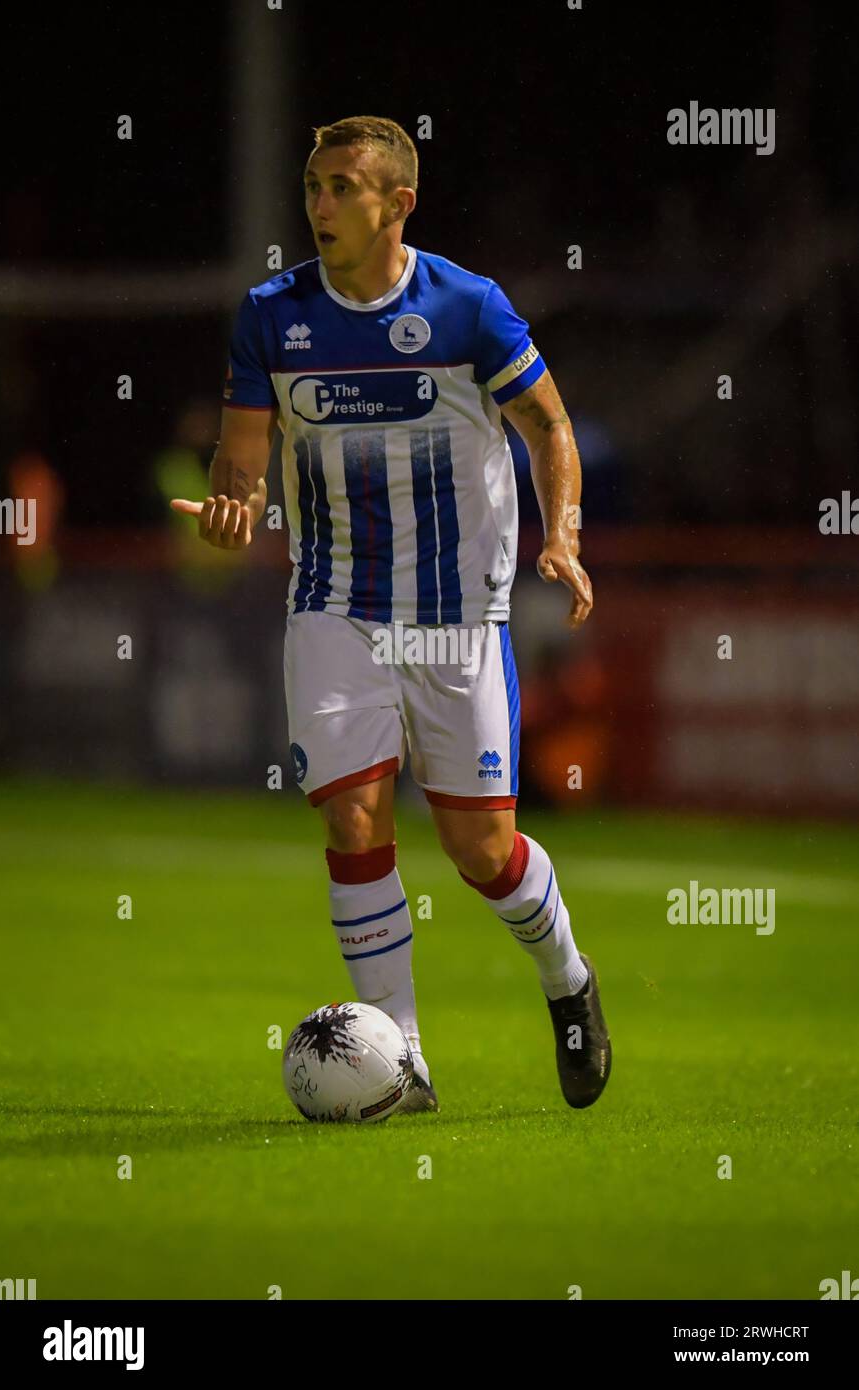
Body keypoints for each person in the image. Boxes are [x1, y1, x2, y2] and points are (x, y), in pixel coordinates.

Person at [171, 116, 611, 1114]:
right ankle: (400, 1060)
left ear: (396, 203)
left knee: (481, 855)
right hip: (333, 604)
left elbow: (547, 423)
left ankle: (566, 981)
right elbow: (241, 454)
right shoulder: (270, 315)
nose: (318, 204)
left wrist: (564, 534)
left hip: (457, 612)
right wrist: (233, 503)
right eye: (312, 185)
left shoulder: (466, 307)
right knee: (353, 813)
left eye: (340, 187)